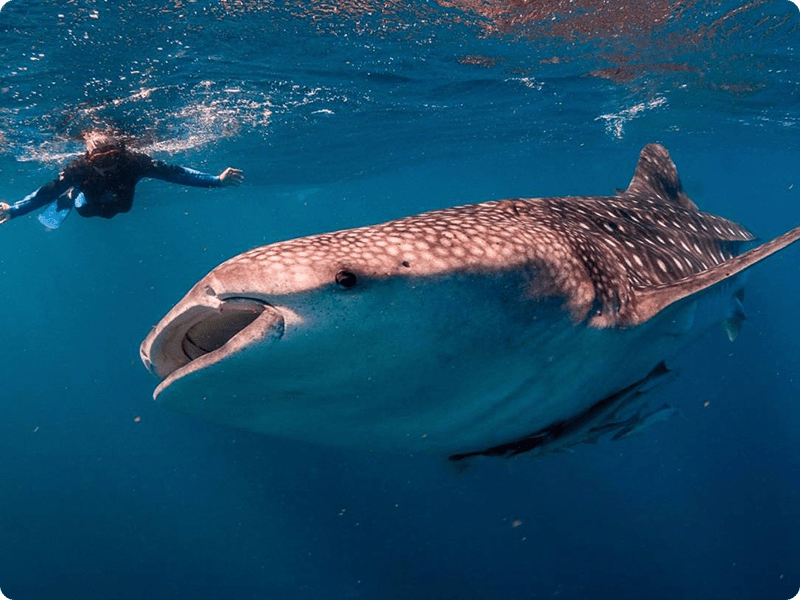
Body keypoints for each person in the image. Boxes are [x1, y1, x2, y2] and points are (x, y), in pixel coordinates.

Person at [0, 131, 244, 229]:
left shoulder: (135, 162)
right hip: (89, 199)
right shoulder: (79, 169)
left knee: (123, 208)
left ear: (122, 152)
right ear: (88, 158)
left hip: (120, 203)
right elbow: (46, 193)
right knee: (84, 209)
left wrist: (216, 180)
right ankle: (73, 194)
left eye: (112, 158)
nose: (107, 167)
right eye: (99, 161)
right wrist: (15, 210)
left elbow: (176, 173)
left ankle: (75, 193)